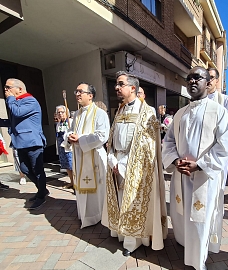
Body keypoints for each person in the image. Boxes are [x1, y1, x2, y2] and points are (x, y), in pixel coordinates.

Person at [162, 67, 228, 270]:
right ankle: (185, 244)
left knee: (200, 219)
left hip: (203, 177)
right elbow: (169, 142)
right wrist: (175, 161)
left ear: (207, 82)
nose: (193, 81)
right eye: (189, 78)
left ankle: (198, 262)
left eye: (198, 77)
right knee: (182, 214)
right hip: (181, 175)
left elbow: (225, 146)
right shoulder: (180, 114)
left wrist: (199, 165)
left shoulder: (218, 111)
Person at [102, 71, 167, 257]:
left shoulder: (147, 112)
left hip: (136, 165)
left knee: (133, 203)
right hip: (117, 162)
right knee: (121, 200)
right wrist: (112, 158)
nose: (117, 87)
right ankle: (122, 234)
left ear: (133, 88)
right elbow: (113, 138)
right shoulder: (120, 110)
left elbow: (148, 145)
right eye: (116, 84)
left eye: (121, 84)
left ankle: (134, 241)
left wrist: (126, 163)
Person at [64, 82, 110, 228]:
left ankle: (97, 216)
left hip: (94, 157)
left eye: (80, 92)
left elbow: (102, 136)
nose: (77, 94)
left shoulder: (100, 113)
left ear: (90, 96)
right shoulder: (76, 114)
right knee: (81, 190)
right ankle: (84, 215)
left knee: (98, 192)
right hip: (79, 157)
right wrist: (69, 137)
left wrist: (80, 139)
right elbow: (70, 131)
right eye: (76, 91)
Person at [0, 78, 48, 209]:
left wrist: (9, 99)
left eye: (8, 87)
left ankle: (41, 196)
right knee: (25, 169)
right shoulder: (17, 103)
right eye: (5, 88)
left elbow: (17, 112)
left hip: (32, 142)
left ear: (19, 89)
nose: (5, 90)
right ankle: (42, 190)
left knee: (38, 171)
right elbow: (14, 121)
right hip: (21, 143)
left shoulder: (30, 101)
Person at [55, 105, 73, 189]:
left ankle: (76, 183)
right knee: (66, 166)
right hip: (61, 147)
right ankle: (72, 182)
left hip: (70, 147)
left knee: (72, 165)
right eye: (58, 112)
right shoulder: (58, 124)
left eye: (62, 112)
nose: (60, 114)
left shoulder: (71, 121)